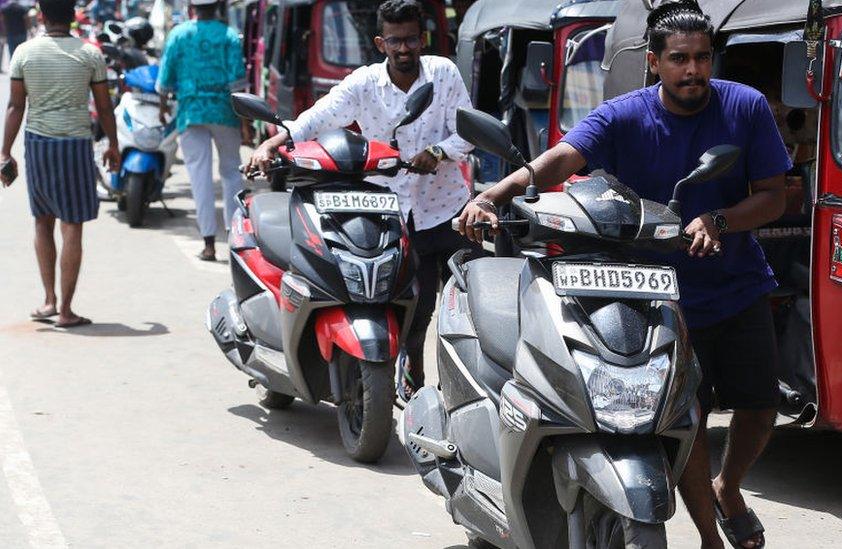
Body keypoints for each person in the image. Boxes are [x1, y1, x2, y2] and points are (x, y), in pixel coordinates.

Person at [456, 3, 790, 548]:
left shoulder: (745, 107)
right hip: (649, 292)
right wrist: (495, 192)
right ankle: (709, 533)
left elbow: (775, 196)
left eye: (703, 58)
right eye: (679, 59)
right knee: (685, 414)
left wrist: (719, 220)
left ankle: (728, 487)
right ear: (654, 63)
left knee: (760, 405)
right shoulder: (622, 115)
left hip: (735, 284)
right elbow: (561, 160)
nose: (693, 71)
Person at [247, 0, 475, 397]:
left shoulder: (444, 73)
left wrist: (439, 152)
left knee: (469, 311)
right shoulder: (364, 83)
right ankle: (412, 375)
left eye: (410, 40)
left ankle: (468, 387)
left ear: (422, 39)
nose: (404, 49)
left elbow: (468, 131)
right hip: (391, 212)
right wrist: (275, 141)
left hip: (449, 209)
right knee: (414, 309)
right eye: (395, 41)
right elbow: (318, 117)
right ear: (380, 42)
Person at [0, 0, 121, 327]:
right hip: (75, 146)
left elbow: (15, 106)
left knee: (42, 221)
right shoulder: (90, 53)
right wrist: (113, 144)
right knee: (72, 226)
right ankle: (66, 310)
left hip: (38, 145)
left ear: (41, 15)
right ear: (73, 16)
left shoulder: (24, 52)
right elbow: (105, 107)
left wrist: (5, 151)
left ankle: (49, 300)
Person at [158, 0, 248, 261]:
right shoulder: (229, 35)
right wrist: (245, 122)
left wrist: (163, 106)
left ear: (192, 8)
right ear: (218, 7)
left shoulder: (179, 34)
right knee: (232, 171)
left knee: (199, 176)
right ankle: (235, 239)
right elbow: (238, 82)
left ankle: (208, 244)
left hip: (191, 112)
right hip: (225, 111)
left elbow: (165, 78)